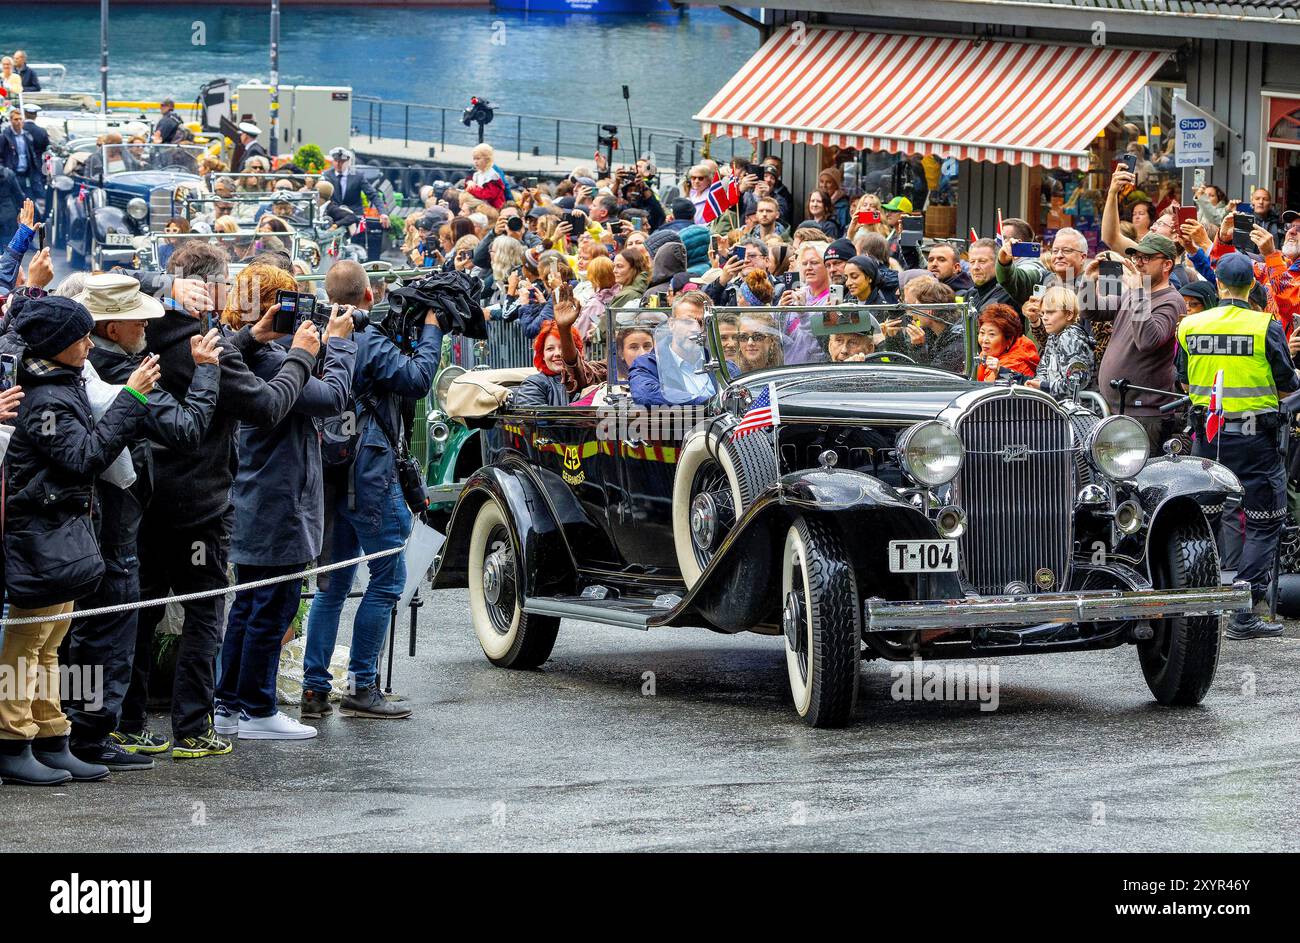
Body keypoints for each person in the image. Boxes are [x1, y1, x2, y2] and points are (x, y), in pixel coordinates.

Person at [120, 246, 319, 761]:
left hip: (146, 495)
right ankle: (192, 728)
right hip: (200, 505)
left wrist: (251, 337)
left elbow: (109, 281)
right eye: (226, 283)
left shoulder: (150, 331)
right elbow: (268, 406)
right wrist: (301, 354)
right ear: (208, 289)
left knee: (140, 612)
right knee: (206, 614)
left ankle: (129, 722)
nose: (234, 293)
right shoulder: (208, 349)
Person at [57, 275, 221, 771]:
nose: (151, 321)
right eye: (139, 316)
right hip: (112, 525)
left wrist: (168, 282)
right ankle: (91, 737)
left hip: (93, 522)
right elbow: (188, 429)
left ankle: (85, 731)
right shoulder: (121, 378)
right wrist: (207, 370)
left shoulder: (84, 365)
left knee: (88, 630)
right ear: (111, 327)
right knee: (106, 630)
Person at [0, 295, 161, 786]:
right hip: (38, 534)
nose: (90, 343)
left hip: (62, 531)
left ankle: (51, 736)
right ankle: (11, 741)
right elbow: (84, 456)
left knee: (50, 641)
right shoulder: (44, 396)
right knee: (27, 644)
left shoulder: (63, 380)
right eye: (82, 336)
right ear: (56, 344)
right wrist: (131, 399)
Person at [216, 279, 357, 741]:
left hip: (255, 498)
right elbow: (332, 398)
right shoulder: (276, 360)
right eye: (293, 303)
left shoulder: (241, 355)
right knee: (271, 609)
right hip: (279, 504)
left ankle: (229, 704)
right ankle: (258, 709)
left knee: (249, 606)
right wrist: (338, 345)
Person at [301, 260, 442, 720]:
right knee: (388, 581)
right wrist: (432, 329)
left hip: (328, 472)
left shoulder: (313, 335)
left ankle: (314, 691)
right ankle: (363, 687)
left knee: (333, 583)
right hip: (370, 473)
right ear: (368, 296)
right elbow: (419, 381)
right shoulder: (365, 337)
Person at [1176, 253, 1299, 639]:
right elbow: (1287, 386)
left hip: (1206, 437)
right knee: (1264, 523)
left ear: (1219, 283)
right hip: (1255, 441)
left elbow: (1182, 382)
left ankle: (1195, 607)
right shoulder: (1265, 325)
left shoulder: (1190, 324)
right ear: (1252, 286)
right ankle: (1244, 615)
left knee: (1202, 520)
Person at [1097, 233, 1186, 447]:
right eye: (1137, 257)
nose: (1138, 263)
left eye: (1146, 258)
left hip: (1146, 414)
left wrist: (1138, 292)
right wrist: (1089, 282)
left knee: (1142, 478)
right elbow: (1092, 311)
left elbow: (1147, 341)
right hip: (1117, 408)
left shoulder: (1172, 301)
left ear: (1166, 265)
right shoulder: (1134, 294)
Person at [513, 285, 607, 406]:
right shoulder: (534, 384)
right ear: (542, 355)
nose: (557, 354)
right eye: (550, 348)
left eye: (563, 347)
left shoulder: (589, 376)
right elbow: (536, 421)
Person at [629, 291, 715, 406]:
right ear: (671, 324)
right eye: (688, 322)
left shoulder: (722, 365)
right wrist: (708, 404)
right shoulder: (649, 364)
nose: (696, 329)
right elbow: (645, 394)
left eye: (703, 322)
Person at [1026, 286, 1094, 395]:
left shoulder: (1070, 337)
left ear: (1069, 314)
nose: (1044, 318)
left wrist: (1043, 386)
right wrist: (1037, 383)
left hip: (1079, 407)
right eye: (1043, 313)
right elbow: (1042, 369)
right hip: (1057, 404)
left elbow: (1075, 384)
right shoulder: (1053, 336)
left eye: (1050, 312)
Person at [975, 303, 1040, 382]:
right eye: (982, 333)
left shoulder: (1013, 364)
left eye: (992, 334)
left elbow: (986, 389)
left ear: (1009, 340)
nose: (984, 340)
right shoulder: (991, 353)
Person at [0, 107, 43, 207]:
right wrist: (5, 172)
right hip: (11, 175)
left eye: (20, 119)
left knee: (28, 202)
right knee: (14, 203)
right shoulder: (5, 136)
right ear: (11, 121)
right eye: (15, 119)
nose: (18, 122)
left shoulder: (26, 136)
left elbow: (31, 155)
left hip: (26, 175)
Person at [965, 238, 1014, 313]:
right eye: (972, 262)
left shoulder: (1006, 292)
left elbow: (981, 320)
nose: (975, 267)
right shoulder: (971, 293)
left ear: (997, 263)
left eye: (982, 261)